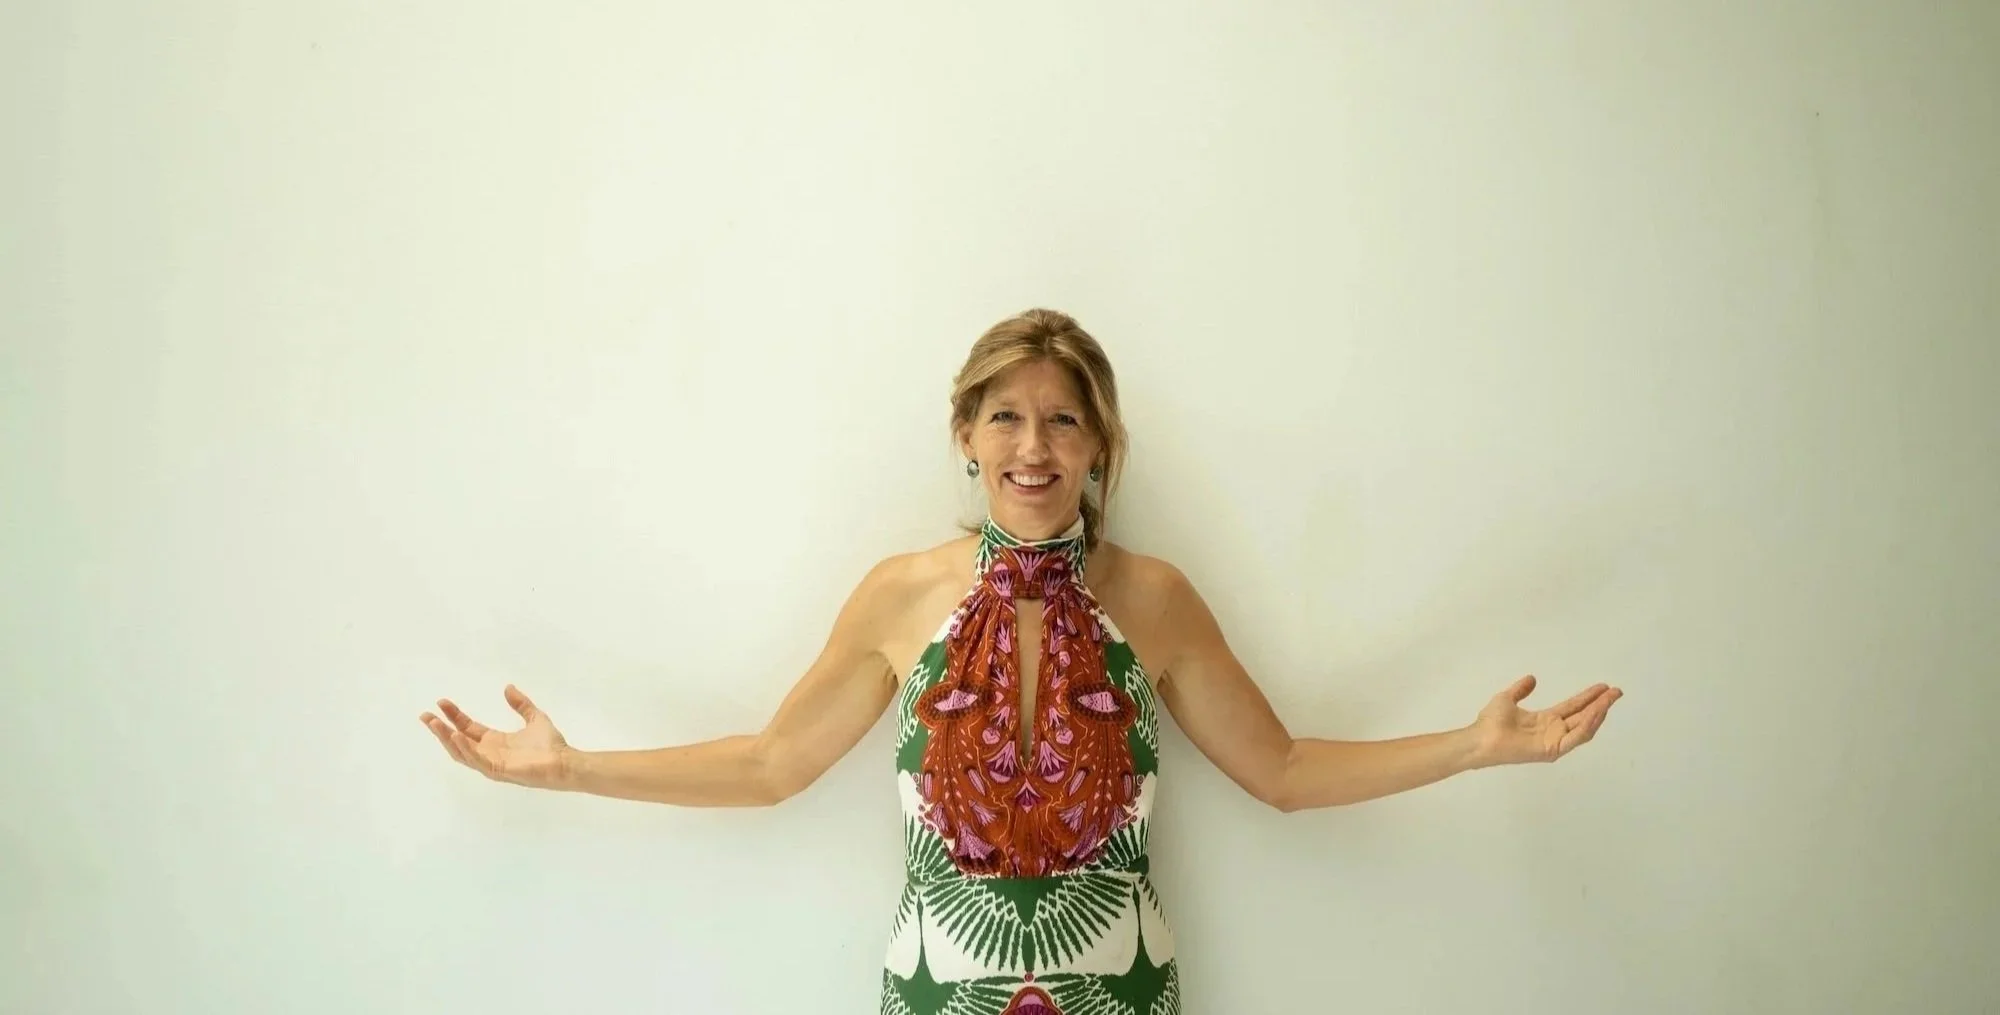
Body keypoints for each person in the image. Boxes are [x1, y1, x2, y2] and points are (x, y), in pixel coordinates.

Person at [419, 308, 1623, 1014]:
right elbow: (773, 763)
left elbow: (1286, 770)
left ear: (1098, 446)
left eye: (1062, 418)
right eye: (1004, 414)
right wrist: (575, 769)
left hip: (1120, 997)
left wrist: (1470, 748)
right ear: (964, 435)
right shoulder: (900, 596)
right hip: (936, 997)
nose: (1031, 445)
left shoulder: (1153, 599)